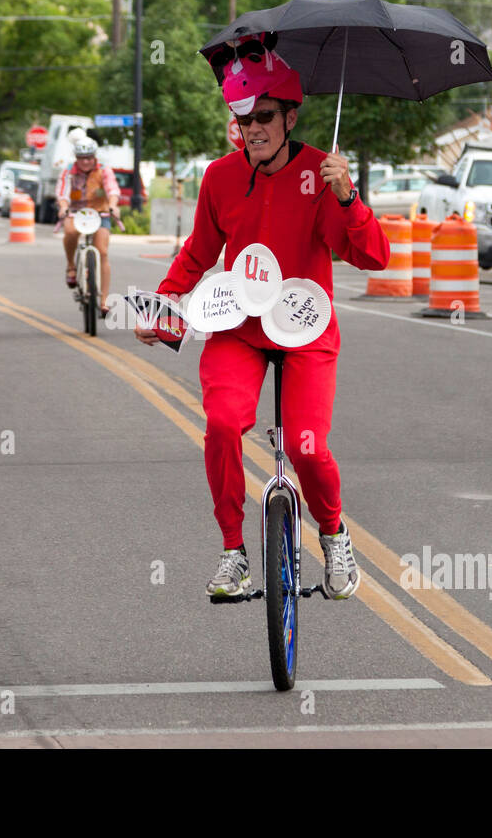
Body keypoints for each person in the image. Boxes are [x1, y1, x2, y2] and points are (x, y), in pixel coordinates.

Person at [134, 43, 391, 600]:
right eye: (243, 119)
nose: (253, 129)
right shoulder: (220, 178)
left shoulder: (322, 173)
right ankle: (234, 552)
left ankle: (334, 533)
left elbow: (374, 257)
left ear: (290, 117)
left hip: (305, 326)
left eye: (264, 118)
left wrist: (347, 197)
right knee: (224, 423)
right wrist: (162, 306)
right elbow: (197, 255)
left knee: (304, 446)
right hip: (240, 326)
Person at [57, 137, 122, 319]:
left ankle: (104, 301)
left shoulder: (104, 170)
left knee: (102, 252)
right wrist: (63, 206)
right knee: (69, 231)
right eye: (81, 157)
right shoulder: (68, 171)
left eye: (89, 157)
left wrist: (113, 205)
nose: (85, 161)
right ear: (76, 158)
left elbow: (112, 190)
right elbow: (62, 192)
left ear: (94, 157)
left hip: (100, 213)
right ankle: (71, 266)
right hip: (76, 213)